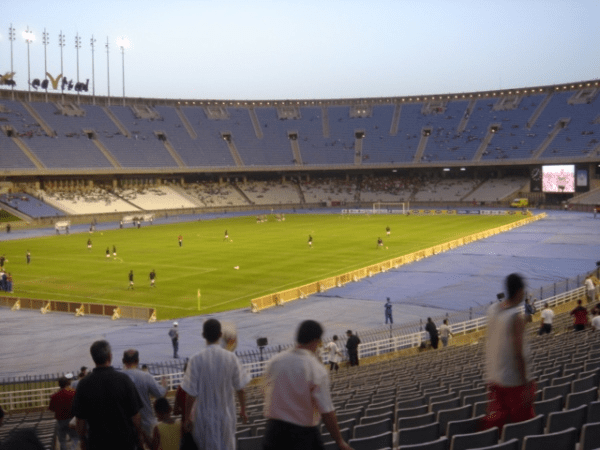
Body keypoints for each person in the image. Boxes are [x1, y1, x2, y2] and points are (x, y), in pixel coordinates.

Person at [263, 320, 353, 450]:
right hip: (302, 435)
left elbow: (265, 390)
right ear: (316, 340)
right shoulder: (315, 369)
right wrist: (339, 441)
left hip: (273, 433)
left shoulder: (276, 361)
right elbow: (327, 411)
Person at [181, 318, 249, 450]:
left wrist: (187, 417)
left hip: (203, 421)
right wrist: (243, 410)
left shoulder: (195, 360)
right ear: (220, 334)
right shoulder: (231, 358)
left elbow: (190, 394)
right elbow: (241, 389)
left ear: (203, 335)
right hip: (226, 419)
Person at [483, 273, 535, 432]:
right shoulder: (515, 317)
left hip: (494, 379)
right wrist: (526, 383)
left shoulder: (492, 309)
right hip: (513, 384)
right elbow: (518, 353)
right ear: (519, 291)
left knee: (498, 429)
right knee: (521, 429)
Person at [72, 340, 143, 450]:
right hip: (124, 442)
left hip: (97, 443)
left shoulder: (84, 384)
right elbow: (136, 416)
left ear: (93, 358)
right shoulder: (124, 380)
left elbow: (80, 420)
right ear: (110, 356)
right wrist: (139, 437)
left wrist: (82, 440)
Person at [122, 349, 167, 445]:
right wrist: (164, 384)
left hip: (126, 428)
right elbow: (161, 394)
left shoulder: (118, 378)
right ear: (137, 361)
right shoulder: (145, 376)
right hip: (147, 426)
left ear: (123, 361)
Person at [48, 376, 78, 450]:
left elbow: (51, 409)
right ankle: (72, 448)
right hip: (71, 419)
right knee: (75, 437)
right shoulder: (74, 393)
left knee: (62, 440)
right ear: (68, 383)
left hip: (60, 420)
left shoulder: (54, 396)